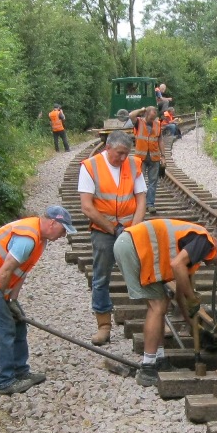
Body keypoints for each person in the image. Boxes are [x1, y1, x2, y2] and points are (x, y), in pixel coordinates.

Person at [0, 207, 77, 395]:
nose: (63, 234)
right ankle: (4, 382)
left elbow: (21, 272)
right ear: (52, 223)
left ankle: (21, 372)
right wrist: (2, 301)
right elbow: (5, 272)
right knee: (3, 328)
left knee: (18, 323)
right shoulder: (27, 239)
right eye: (63, 229)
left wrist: (12, 301)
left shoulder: (40, 239)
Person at [113, 217, 217, 386]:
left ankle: (159, 360)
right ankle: (148, 368)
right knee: (157, 306)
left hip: (132, 245)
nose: (216, 265)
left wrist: (197, 328)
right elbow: (177, 265)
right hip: (134, 246)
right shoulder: (205, 241)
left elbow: (180, 297)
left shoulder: (193, 253)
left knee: (161, 304)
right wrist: (193, 299)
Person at [77, 129, 146, 346]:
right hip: (103, 230)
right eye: (119, 153)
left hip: (129, 229)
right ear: (108, 148)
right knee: (101, 278)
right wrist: (112, 228)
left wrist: (133, 229)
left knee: (144, 273)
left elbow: (141, 199)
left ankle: (150, 320)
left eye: (126, 153)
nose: (123, 158)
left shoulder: (134, 164)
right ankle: (103, 326)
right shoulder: (90, 167)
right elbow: (87, 207)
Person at [132, 105, 164, 213]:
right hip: (141, 158)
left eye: (154, 117)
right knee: (139, 181)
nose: (152, 119)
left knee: (153, 182)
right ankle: (138, 204)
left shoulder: (157, 124)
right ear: (146, 114)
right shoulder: (138, 122)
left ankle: (150, 204)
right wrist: (141, 109)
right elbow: (131, 115)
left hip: (154, 157)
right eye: (151, 117)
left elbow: (160, 140)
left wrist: (163, 156)